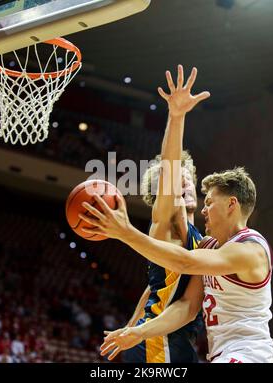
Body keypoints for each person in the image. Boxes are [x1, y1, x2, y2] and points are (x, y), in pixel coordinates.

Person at [80, 162, 273, 362]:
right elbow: (187, 307)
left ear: (231, 204)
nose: (204, 210)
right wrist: (140, 331)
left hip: (250, 353)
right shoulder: (208, 247)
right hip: (224, 354)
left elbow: (185, 262)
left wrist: (125, 232)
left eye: (209, 202)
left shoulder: (251, 249)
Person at [94, 65, 209, 363]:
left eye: (187, 176)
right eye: (172, 181)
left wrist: (131, 328)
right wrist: (177, 116)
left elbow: (154, 291)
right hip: (159, 345)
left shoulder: (197, 237)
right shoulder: (166, 224)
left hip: (167, 341)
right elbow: (169, 170)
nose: (181, 181)